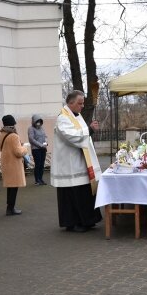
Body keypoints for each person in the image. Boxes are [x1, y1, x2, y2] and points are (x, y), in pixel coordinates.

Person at [51, 90, 103, 232]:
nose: (82, 106)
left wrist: (89, 130)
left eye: (82, 103)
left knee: (84, 193)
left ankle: (88, 220)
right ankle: (74, 222)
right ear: (70, 102)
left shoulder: (77, 116)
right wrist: (90, 130)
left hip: (81, 162)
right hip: (70, 164)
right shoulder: (63, 118)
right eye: (79, 103)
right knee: (72, 195)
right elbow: (72, 136)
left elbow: (82, 134)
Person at [0, 115, 29, 215]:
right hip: (14, 165)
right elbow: (18, 152)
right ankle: (11, 208)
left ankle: (10, 207)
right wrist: (25, 148)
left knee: (10, 187)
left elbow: (1, 147)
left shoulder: (2, 134)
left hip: (6, 163)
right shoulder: (14, 136)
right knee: (14, 187)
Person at [28, 113, 48, 185]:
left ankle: (41, 179)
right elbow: (31, 139)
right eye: (37, 121)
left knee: (42, 165)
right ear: (34, 121)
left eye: (39, 121)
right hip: (36, 149)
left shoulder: (42, 128)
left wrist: (45, 143)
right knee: (38, 164)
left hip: (43, 149)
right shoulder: (31, 129)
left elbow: (45, 136)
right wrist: (40, 145)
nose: (38, 123)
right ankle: (37, 180)